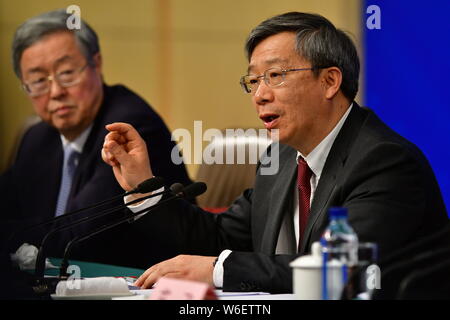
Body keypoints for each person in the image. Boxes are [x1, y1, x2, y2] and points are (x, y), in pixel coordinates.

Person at [101, 12, 448, 293]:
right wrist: (143, 187)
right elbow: (220, 237)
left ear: (330, 81)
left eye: (275, 75)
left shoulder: (385, 161)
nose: (259, 95)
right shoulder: (280, 158)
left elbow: (336, 271)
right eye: (254, 81)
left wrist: (218, 269)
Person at [0, 9, 193, 269]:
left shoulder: (127, 129)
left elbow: (74, 238)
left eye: (67, 73)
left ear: (96, 64)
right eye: (37, 81)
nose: (56, 91)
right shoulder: (37, 139)